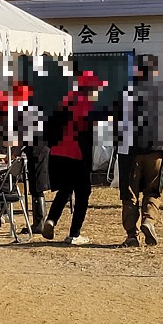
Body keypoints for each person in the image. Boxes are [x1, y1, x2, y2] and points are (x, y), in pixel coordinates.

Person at [42, 71, 107, 245]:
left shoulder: (65, 101)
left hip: (56, 154)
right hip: (77, 155)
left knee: (64, 190)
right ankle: (74, 234)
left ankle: (51, 219)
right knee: (83, 194)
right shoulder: (87, 106)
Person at [117, 55, 163, 247]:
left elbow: (117, 121)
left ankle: (131, 235)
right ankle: (149, 220)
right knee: (153, 190)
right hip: (157, 149)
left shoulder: (127, 93)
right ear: (154, 72)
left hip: (131, 149)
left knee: (130, 194)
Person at [14, 82, 50, 233]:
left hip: (38, 149)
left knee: (37, 187)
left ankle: (39, 222)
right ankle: (38, 221)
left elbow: (24, 133)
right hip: (40, 147)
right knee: (36, 186)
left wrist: (15, 152)